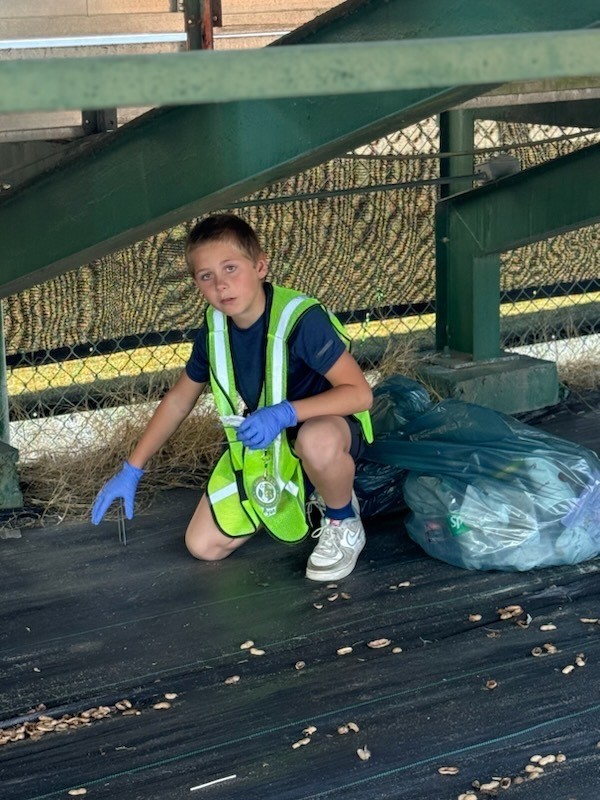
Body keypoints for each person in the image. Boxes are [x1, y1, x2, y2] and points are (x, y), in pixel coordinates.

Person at [92, 213, 373, 582]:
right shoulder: (214, 329)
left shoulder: (300, 318)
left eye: (230, 268)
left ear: (260, 266)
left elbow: (360, 395)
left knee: (314, 440)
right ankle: (306, 490)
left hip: (329, 430)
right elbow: (179, 399)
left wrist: (285, 413)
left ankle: (342, 517)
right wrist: (133, 467)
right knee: (203, 546)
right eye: (206, 276)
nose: (221, 285)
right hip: (268, 446)